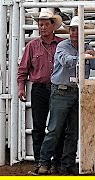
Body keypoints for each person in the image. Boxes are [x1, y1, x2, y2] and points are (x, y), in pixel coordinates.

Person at [38, 16, 95, 175]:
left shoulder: (84, 46)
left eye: (77, 29)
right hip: (63, 90)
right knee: (55, 129)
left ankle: (65, 164)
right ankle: (45, 162)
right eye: (72, 29)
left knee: (72, 131)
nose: (74, 32)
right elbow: (67, 61)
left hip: (74, 90)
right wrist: (85, 56)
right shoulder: (63, 46)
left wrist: (91, 54)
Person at [17, 8, 65, 174]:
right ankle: (40, 162)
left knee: (57, 127)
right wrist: (21, 87)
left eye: (45, 24)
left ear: (53, 26)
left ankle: (55, 162)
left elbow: (23, 69)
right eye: (40, 24)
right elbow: (23, 69)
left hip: (57, 88)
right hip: (40, 89)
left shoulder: (61, 44)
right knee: (39, 126)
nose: (42, 27)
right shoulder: (32, 46)